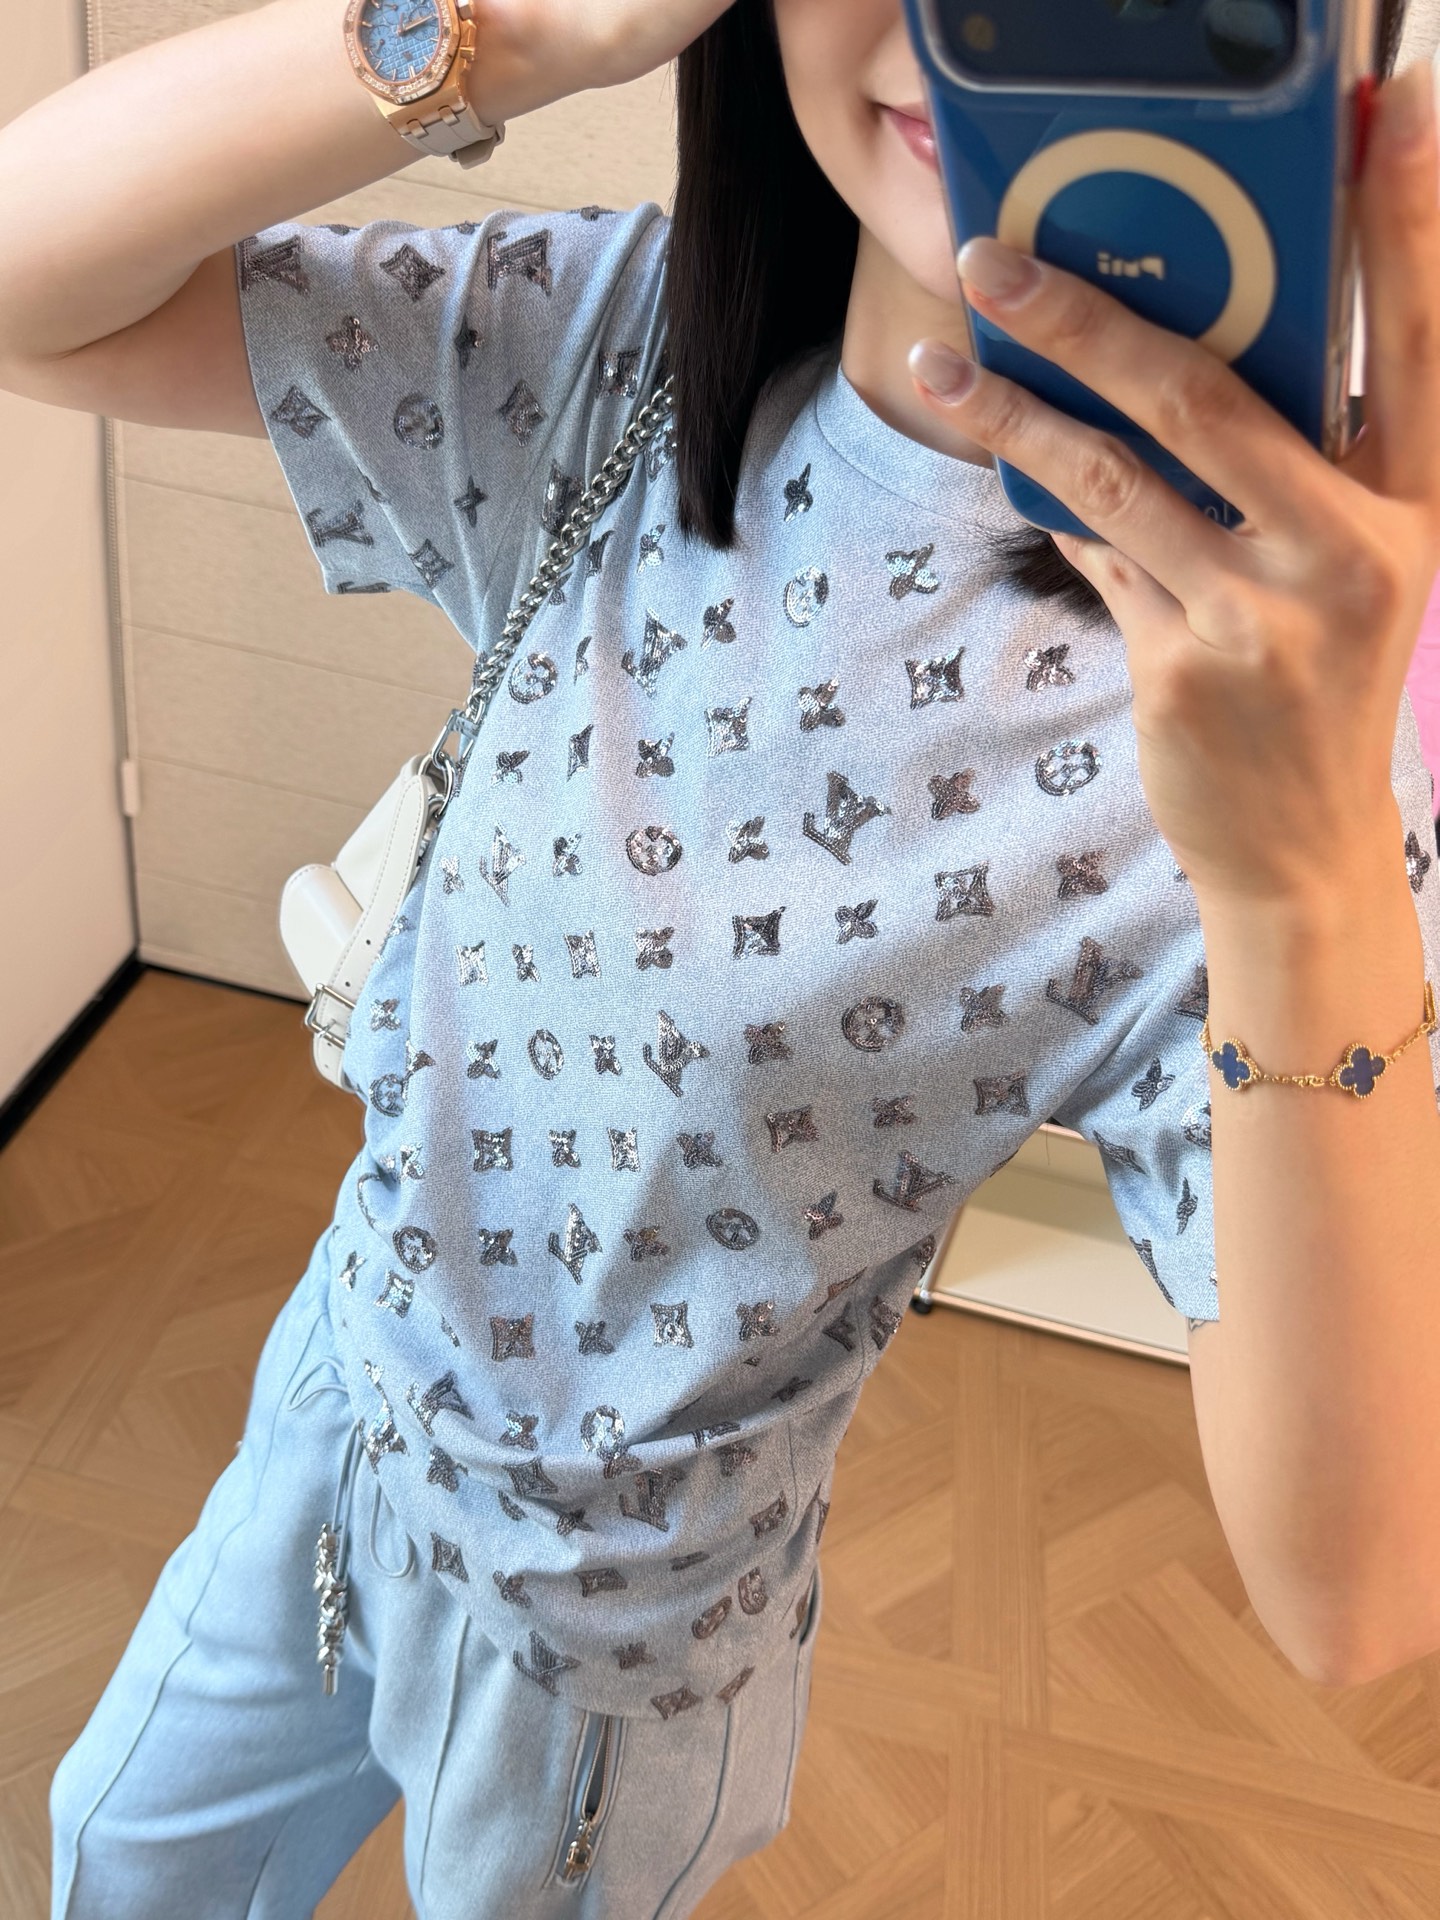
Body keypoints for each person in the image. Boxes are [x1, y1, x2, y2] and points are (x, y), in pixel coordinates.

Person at [2, 0, 1437, 1914]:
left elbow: (1356, 1593)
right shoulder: (616, 345)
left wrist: (1303, 884)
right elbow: (31, 289)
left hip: (607, 1655)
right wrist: (512, 33)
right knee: (115, 1857)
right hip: (340, 1401)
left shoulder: (1248, 711)